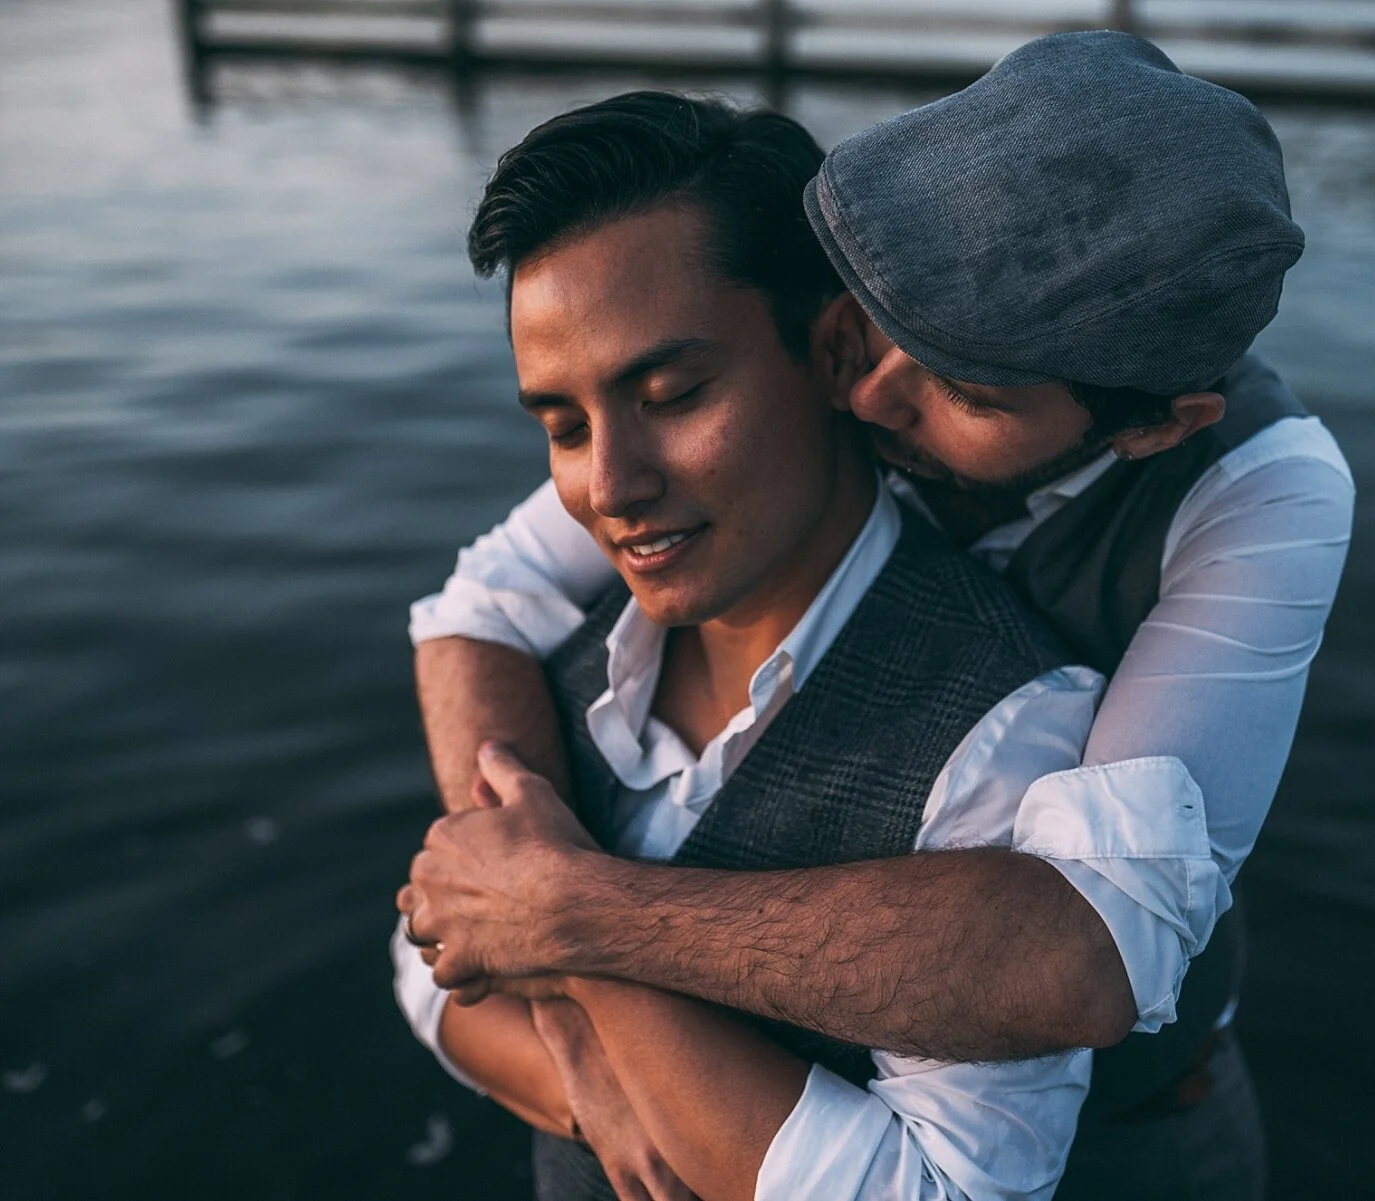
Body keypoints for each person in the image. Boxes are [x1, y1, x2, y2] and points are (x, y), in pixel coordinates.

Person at [405, 31, 1355, 1200]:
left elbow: (1088, 949)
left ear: (1155, 424)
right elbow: (484, 605)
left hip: (1135, 1128)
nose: (866, 392)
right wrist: (554, 983)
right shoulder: (823, 353)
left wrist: (564, 913)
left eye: (964, 391)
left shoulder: (1260, 490)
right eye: (873, 322)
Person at [396, 92, 1106, 1200]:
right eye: (564, 428)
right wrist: (591, 1081)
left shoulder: (1005, 730)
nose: (611, 488)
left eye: (673, 395)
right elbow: (432, 944)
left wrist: (565, 925)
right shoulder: (556, 656)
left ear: (833, 352)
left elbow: (950, 1189)